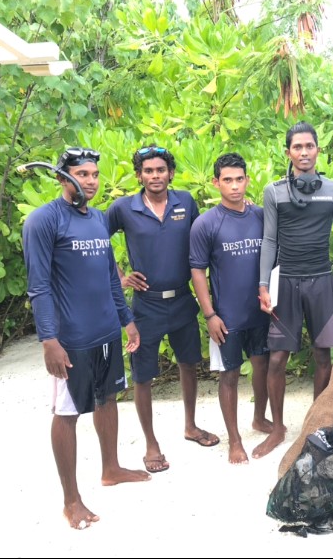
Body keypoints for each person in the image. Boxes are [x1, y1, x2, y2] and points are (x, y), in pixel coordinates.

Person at [22, 146, 151, 530]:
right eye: (82, 174)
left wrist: (126, 320)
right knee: (67, 413)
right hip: (71, 338)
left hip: (107, 331)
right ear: (63, 178)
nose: (91, 181)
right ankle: (71, 500)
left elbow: (111, 276)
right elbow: (39, 287)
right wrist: (49, 339)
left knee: (108, 398)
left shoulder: (96, 219)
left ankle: (110, 468)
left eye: (95, 174)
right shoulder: (42, 222)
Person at [106, 145, 218, 475]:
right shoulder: (123, 208)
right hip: (147, 305)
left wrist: (243, 207)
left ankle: (191, 426)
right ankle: (151, 444)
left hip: (183, 299)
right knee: (142, 377)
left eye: (160, 170)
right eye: (148, 171)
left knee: (188, 364)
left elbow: (204, 236)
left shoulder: (185, 202)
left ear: (170, 173)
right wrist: (120, 277)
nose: (155, 176)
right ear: (139, 175)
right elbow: (97, 239)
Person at [255, 121, 333, 459]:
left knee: (323, 354)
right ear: (288, 152)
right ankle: (279, 427)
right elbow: (269, 239)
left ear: (318, 150)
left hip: (322, 281)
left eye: (309, 146)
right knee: (278, 358)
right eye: (296, 147)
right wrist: (264, 284)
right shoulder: (274, 192)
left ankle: (317, 423)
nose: (303, 152)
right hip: (286, 281)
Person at [190, 153, 271, 464]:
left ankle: (260, 418)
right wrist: (210, 315)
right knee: (230, 374)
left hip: (260, 312)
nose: (235, 186)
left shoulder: (261, 216)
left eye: (240, 179)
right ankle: (234, 440)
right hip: (227, 316)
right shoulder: (206, 224)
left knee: (261, 365)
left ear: (247, 180)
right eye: (227, 180)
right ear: (216, 183)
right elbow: (197, 271)